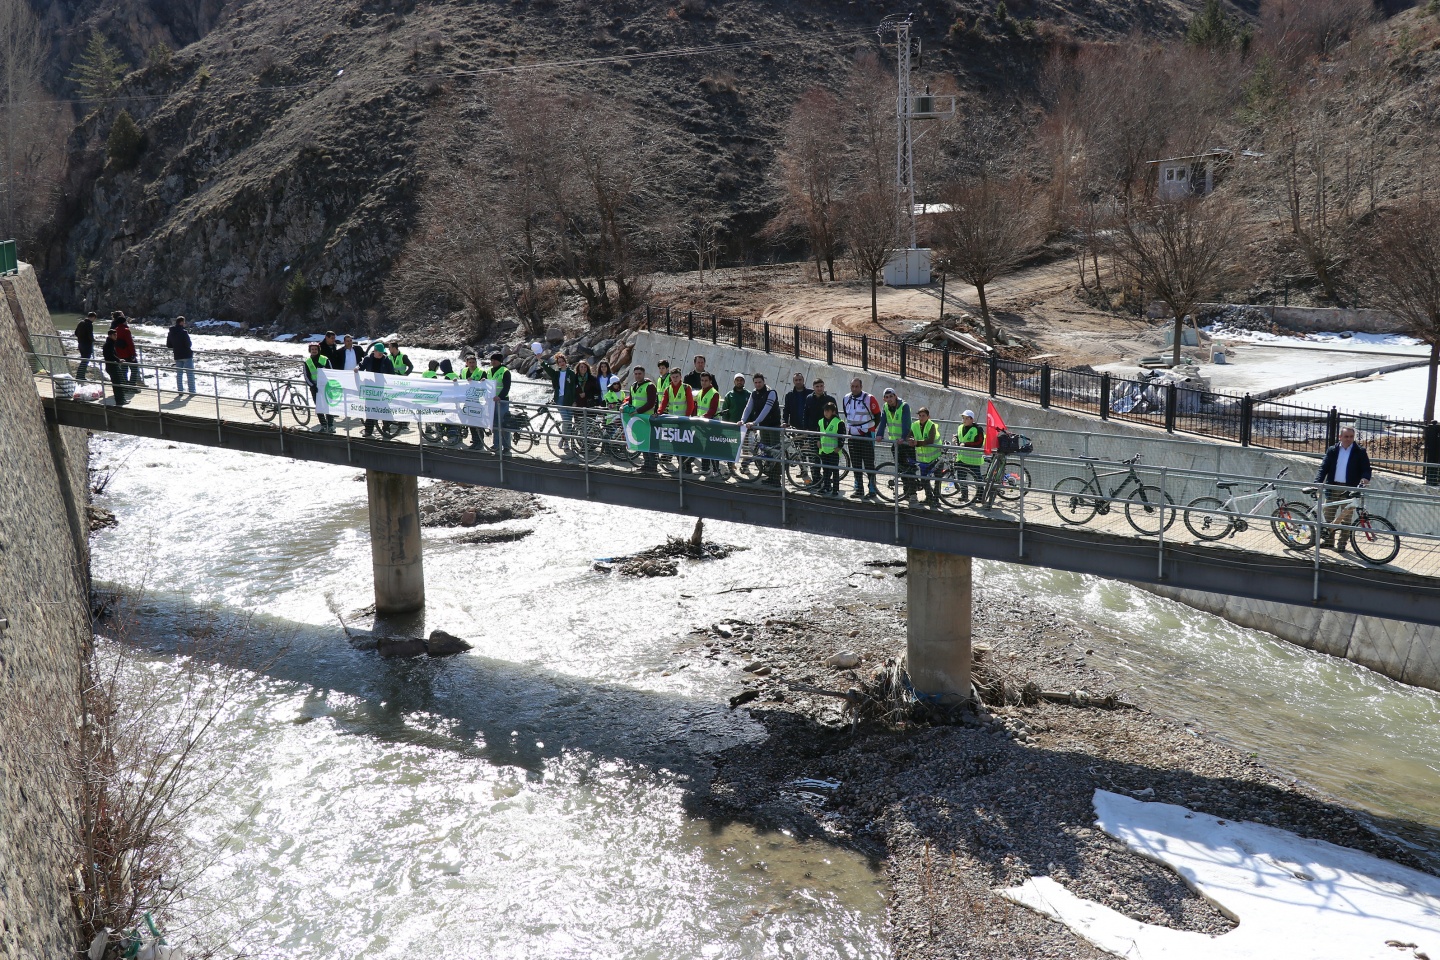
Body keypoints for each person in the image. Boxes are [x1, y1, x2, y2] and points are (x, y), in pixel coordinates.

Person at [1315, 425, 1373, 550]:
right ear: (1340, 437)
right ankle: (1329, 542)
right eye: (1346, 436)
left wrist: (1365, 478)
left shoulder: (1360, 451)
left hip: (1349, 490)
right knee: (1328, 516)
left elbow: (1366, 469)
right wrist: (1317, 482)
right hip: (1332, 487)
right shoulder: (1332, 450)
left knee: (1346, 520)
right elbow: (1323, 468)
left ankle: (1342, 545)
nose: (1348, 439)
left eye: (1351, 437)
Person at [843, 378, 881, 499]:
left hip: (866, 435)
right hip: (853, 436)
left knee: (869, 463)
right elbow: (846, 414)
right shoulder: (846, 398)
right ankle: (859, 489)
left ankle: (872, 489)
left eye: (857, 386)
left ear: (861, 386)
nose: (854, 389)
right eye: (852, 386)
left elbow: (877, 415)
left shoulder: (869, 398)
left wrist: (870, 428)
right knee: (856, 464)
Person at [741, 372, 782, 485]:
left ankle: (776, 478)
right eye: (756, 382)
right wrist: (742, 420)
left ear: (764, 382)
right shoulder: (754, 393)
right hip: (763, 426)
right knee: (766, 451)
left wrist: (754, 422)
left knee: (775, 452)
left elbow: (766, 410)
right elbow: (748, 408)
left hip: (773, 426)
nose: (758, 384)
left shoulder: (771, 393)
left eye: (760, 382)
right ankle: (770, 477)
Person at [877, 388, 915, 498]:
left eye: (891, 396)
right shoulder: (885, 407)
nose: (889, 399)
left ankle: (912, 493)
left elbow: (906, 423)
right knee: (901, 469)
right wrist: (879, 434)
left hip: (906, 443)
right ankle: (906, 491)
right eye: (887, 397)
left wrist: (903, 437)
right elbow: (883, 421)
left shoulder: (904, 406)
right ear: (884, 399)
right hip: (896, 443)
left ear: (895, 396)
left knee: (909, 468)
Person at [659, 368, 697, 475]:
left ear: (680, 377)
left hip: (684, 421)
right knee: (675, 445)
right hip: (672, 422)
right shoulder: (668, 389)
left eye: (677, 377)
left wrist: (686, 417)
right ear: (670, 377)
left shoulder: (686, 388)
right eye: (673, 377)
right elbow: (663, 402)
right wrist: (658, 412)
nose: (675, 379)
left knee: (684, 445)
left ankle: (687, 466)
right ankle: (683, 465)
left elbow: (690, 405)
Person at [799, 377, 836, 487]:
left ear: (824, 387)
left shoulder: (830, 399)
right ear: (813, 387)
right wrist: (805, 429)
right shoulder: (809, 398)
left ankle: (827, 482)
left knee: (825, 459)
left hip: (826, 435)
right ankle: (816, 481)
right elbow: (806, 414)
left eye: (821, 386)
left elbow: (835, 417)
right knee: (813, 458)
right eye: (817, 386)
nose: (819, 388)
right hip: (812, 433)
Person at [540, 352, 579, 453]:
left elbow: (575, 388)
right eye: (559, 362)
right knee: (565, 420)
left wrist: (574, 400)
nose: (561, 363)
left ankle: (563, 440)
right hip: (559, 399)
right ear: (557, 364)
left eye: (563, 361)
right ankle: (566, 441)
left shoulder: (571, 373)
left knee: (569, 421)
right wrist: (540, 360)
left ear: (566, 362)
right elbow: (548, 369)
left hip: (569, 400)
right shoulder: (556, 374)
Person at [629, 365, 658, 473]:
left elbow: (651, 403)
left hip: (647, 418)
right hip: (637, 419)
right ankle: (646, 464)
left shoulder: (650, 386)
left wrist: (638, 411)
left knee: (649, 442)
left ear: (644, 374)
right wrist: (625, 407)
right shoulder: (633, 386)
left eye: (639, 373)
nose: (637, 376)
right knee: (641, 443)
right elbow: (631, 402)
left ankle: (653, 465)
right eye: (636, 374)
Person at [303, 342, 336, 433]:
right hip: (315, 388)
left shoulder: (325, 359)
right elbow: (306, 376)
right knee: (319, 407)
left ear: (318, 350)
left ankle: (331, 425)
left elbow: (331, 372)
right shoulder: (307, 362)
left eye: (315, 349)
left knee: (328, 406)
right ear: (310, 350)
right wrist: (312, 386)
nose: (314, 351)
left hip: (326, 387)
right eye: (312, 349)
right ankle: (323, 425)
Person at [695, 371, 723, 479]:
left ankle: (716, 470)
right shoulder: (700, 392)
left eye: (706, 380)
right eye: (702, 380)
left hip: (712, 424)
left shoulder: (714, 393)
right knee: (704, 446)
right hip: (703, 423)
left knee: (713, 447)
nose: (704, 382)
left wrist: (702, 417)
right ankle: (705, 468)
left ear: (710, 381)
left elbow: (712, 410)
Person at [910, 407, 942, 503]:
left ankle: (936, 499)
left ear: (928, 416)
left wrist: (917, 443)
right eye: (919, 416)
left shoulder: (931, 425)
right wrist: (910, 439)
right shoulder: (915, 425)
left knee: (937, 480)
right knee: (924, 479)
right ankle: (929, 497)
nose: (921, 417)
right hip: (924, 458)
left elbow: (930, 440)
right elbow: (909, 435)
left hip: (936, 457)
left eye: (923, 416)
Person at [485, 352, 512, 454]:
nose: (493, 362)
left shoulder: (505, 371)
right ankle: (496, 445)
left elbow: (506, 387)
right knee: (495, 424)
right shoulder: (488, 371)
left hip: (502, 401)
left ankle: (506, 447)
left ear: (500, 361)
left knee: (504, 424)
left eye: (495, 360)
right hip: (492, 401)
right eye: (492, 360)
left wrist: (499, 397)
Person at [816, 400, 845, 497]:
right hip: (824, 450)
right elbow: (818, 434)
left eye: (828, 411)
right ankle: (826, 486)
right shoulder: (820, 421)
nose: (826, 413)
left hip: (834, 451)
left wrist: (839, 446)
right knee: (825, 470)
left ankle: (835, 489)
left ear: (833, 412)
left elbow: (842, 436)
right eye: (825, 411)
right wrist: (818, 441)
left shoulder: (839, 422)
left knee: (835, 470)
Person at [460, 353, 487, 448]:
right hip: (467, 400)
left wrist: (482, 381)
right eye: (470, 362)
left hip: (477, 401)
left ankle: (480, 442)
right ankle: (475, 441)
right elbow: (460, 382)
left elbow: (485, 386)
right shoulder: (463, 371)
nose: (472, 364)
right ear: (466, 363)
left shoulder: (481, 372)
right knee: (470, 421)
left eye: (474, 362)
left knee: (477, 422)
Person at [954, 410, 985, 492]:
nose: (964, 420)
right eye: (963, 418)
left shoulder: (978, 429)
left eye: (967, 418)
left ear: (972, 419)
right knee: (961, 477)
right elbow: (958, 437)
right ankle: (964, 495)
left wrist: (966, 444)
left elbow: (979, 443)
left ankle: (980, 496)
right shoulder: (960, 427)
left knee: (977, 479)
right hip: (961, 458)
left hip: (973, 460)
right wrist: (955, 440)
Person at [111, 312, 142, 395]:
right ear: (124, 322)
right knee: (134, 370)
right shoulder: (126, 330)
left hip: (120, 354)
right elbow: (130, 343)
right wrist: (133, 354)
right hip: (128, 353)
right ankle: (132, 386)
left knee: (124, 370)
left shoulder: (115, 330)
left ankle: (124, 387)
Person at [165, 316, 196, 394]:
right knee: (190, 374)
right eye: (184, 322)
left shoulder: (171, 332)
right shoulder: (184, 332)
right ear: (181, 322)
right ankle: (192, 391)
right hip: (186, 355)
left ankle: (180, 391)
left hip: (177, 355)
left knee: (179, 374)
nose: (184, 324)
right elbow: (188, 344)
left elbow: (169, 345)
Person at [102, 328, 127, 406]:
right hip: (112, 366)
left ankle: (121, 399)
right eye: (114, 335)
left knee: (118, 383)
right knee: (117, 384)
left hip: (112, 365)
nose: (116, 336)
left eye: (116, 334)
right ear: (110, 335)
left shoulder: (111, 343)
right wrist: (118, 360)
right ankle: (120, 401)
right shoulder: (108, 344)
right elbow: (109, 355)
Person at [74, 312, 95, 381]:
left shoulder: (81, 323)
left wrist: (81, 338)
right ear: (92, 317)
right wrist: (93, 340)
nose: (94, 320)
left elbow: (76, 333)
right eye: (94, 318)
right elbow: (90, 335)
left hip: (80, 344)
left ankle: (79, 375)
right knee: (85, 361)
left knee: (83, 360)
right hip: (87, 345)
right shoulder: (89, 324)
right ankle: (80, 376)